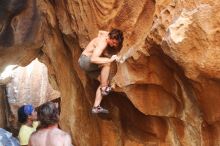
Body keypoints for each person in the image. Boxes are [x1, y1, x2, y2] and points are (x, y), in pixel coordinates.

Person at [78, 29, 124, 114]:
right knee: (107, 63)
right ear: (110, 37)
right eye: (113, 42)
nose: (114, 45)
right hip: (85, 61)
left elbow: (100, 31)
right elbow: (93, 59)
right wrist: (110, 60)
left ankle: (96, 107)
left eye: (116, 44)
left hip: (88, 66)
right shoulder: (102, 43)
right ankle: (104, 88)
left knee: (105, 81)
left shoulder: (106, 35)